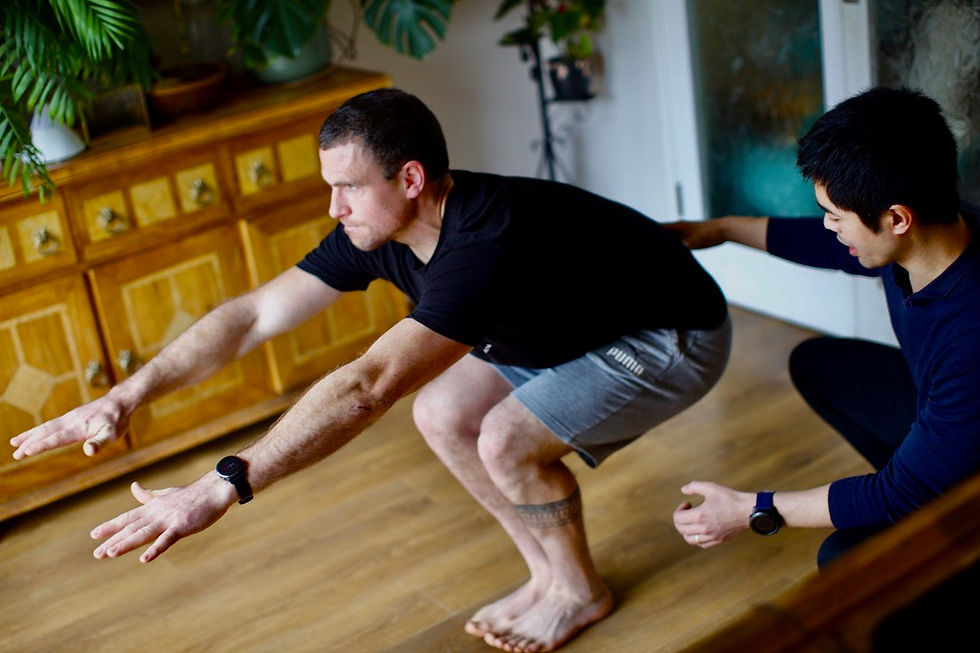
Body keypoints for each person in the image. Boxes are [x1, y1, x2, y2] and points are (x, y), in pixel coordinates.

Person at [10, 88, 731, 652]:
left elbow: (367, 386)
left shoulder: (482, 244)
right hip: (565, 326)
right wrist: (127, 393)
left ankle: (579, 590)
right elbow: (255, 315)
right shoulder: (377, 227)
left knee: (505, 438)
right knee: (442, 412)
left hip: (669, 334)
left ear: (410, 178)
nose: (334, 206)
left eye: (348, 186)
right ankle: (546, 573)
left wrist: (220, 484)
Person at [668, 86, 980, 570]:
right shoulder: (939, 230)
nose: (830, 226)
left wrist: (755, 509)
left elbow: (901, 490)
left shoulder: (970, 337)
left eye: (836, 216)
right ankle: (921, 484)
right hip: (952, 419)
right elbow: (825, 244)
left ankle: (944, 524)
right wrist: (724, 228)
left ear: (897, 218)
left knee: (844, 558)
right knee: (819, 365)